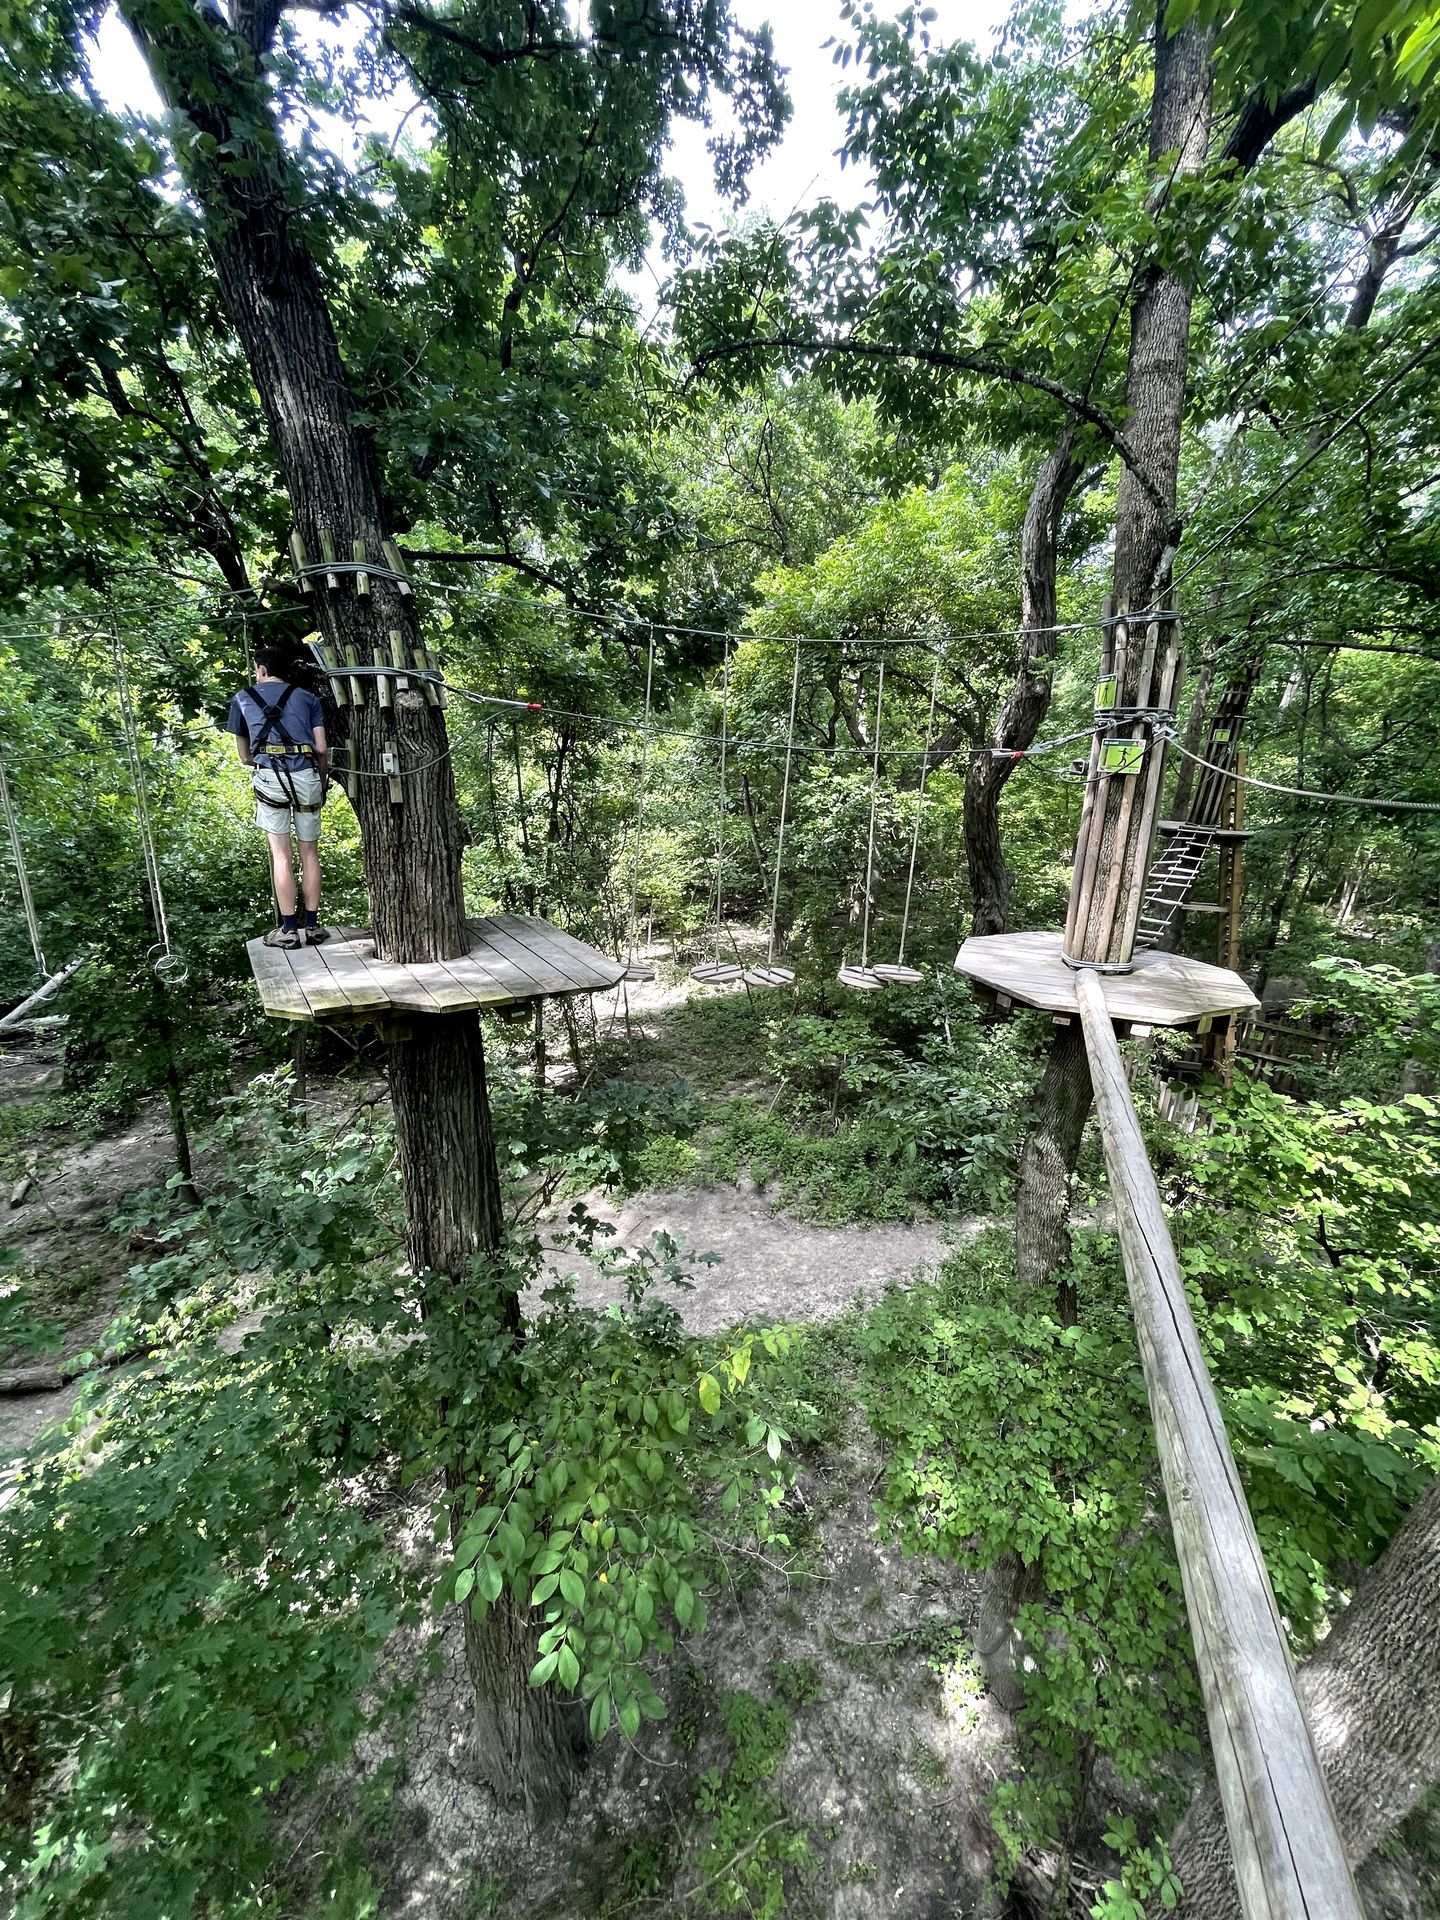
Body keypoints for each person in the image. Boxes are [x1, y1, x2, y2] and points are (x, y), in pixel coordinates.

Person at [227, 647, 330, 948]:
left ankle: (288, 931)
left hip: (270, 778)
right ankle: (311, 926)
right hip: (306, 776)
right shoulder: (309, 698)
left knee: (281, 855)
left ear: (261, 670)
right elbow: (322, 749)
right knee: (309, 852)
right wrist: (320, 781)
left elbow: (245, 756)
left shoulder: (243, 698)